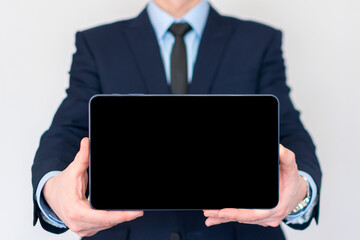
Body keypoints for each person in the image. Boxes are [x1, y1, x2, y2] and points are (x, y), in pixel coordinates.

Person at [31, 0, 322, 239]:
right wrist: (52, 190)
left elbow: (287, 128)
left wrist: (302, 189)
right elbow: (67, 130)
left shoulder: (259, 40)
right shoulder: (98, 44)